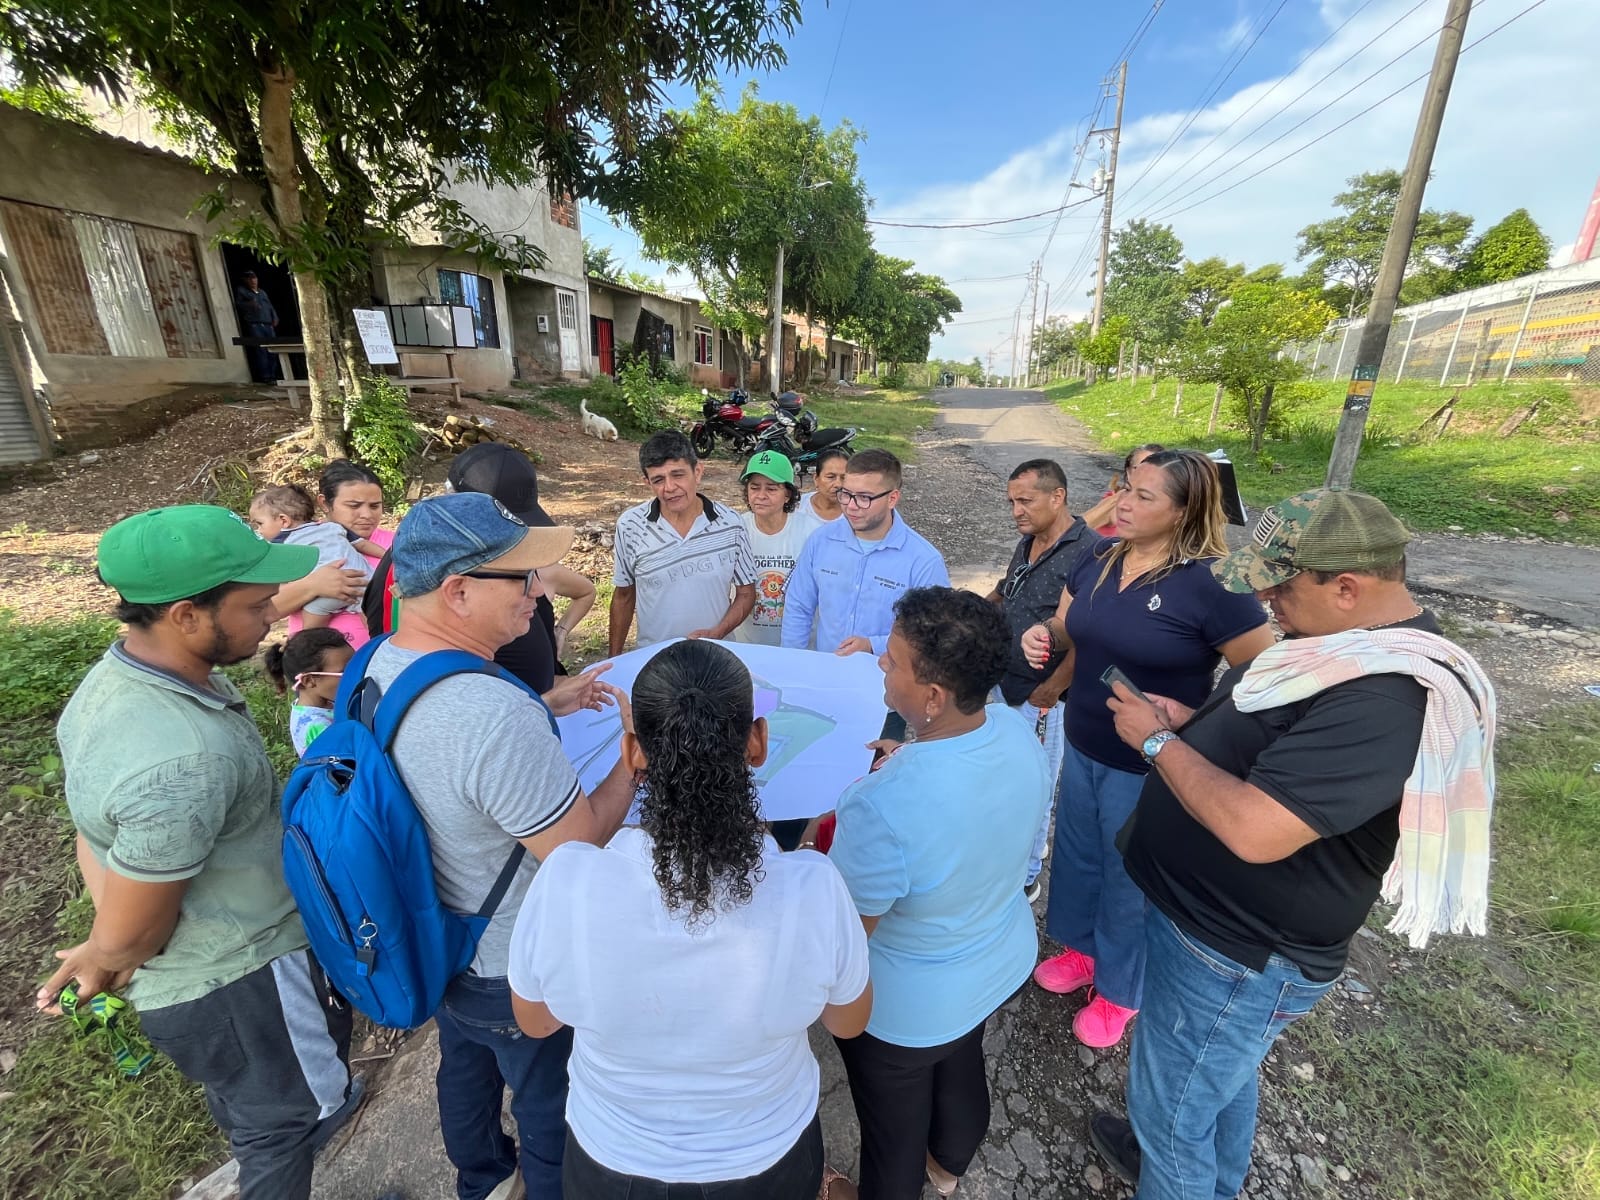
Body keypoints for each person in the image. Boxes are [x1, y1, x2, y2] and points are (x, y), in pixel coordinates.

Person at [1087, 489, 1496, 1200]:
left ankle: (1172, 1166)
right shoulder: (1336, 646)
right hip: (1212, 933)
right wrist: (1193, 722)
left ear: (1347, 586)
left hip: (1233, 951)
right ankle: (1201, 1171)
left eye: (1279, 583)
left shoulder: (1385, 697)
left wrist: (1155, 742)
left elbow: (1256, 828)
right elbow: (1270, 731)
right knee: (1215, 1077)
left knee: (1172, 1115)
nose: (1265, 599)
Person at [40, 505, 358, 1200]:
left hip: (215, 991)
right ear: (185, 615)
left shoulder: (119, 683)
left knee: (257, 1113)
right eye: (256, 603)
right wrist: (107, 948)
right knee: (286, 1128)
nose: (273, 613)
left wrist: (106, 943)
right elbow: (134, 935)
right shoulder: (182, 758)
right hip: (242, 981)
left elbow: (91, 831)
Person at [507, 639, 873, 1199]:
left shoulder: (568, 882)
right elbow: (849, 1023)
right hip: (767, 1159)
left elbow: (536, 1023)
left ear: (633, 753)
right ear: (758, 742)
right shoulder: (814, 886)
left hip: (610, 1162)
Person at [358, 491, 636, 1200]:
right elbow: (576, 847)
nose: (539, 594)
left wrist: (546, 703)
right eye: (523, 579)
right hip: (510, 964)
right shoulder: (489, 712)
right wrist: (635, 761)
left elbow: (434, 750)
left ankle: (481, 1178)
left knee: (464, 1066)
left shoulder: (376, 663)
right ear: (457, 590)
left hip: (432, 935)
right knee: (556, 1113)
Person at [1022, 450, 1274, 1048]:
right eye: (1125, 489)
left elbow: (1262, 678)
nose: (1124, 504)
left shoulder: (1216, 583)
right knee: (1080, 856)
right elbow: (1068, 624)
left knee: (1128, 875)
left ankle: (1121, 991)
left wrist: (1191, 718)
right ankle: (1085, 954)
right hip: (1084, 743)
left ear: (1185, 510)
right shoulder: (1102, 558)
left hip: (1152, 762)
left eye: (1144, 496)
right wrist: (1043, 634)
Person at [828, 587, 1051, 1200]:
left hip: (909, 1006)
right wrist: (910, 754)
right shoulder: (1010, 726)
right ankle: (949, 1168)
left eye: (893, 660)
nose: (881, 664)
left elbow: (849, 936)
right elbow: (971, 798)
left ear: (932, 695)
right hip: (995, 959)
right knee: (960, 1062)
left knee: (892, 1131)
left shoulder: (880, 806)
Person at [985, 459, 1096, 903]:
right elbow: (1008, 590)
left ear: (1058, 496)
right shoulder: (1028, 541)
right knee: (1000, 781)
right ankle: (1000, 857)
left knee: (1035, 789)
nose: (1016, 510)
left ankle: (1027, 877)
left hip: (1044, 697)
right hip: (1002, 683)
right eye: (1012, 501)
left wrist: (1052, 688)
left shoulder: (1090, 551)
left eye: (1025, 500)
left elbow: (1089, 632)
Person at [446, 442, 597, 691]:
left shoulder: (540, 571)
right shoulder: (433, 582)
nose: (535, 590)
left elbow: (586, 591)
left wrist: (560, 631)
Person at [609, 430, 756, 656]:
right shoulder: (630, 526)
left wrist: (718, 632)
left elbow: (746, 593)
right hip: (655, 660)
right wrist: (614, 660)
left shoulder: (731, 524)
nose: (669, 487)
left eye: (678, 475)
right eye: (658, 479)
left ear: (697, 472)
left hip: (716, 655)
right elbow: (624, 596)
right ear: (647, 482)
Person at [281, 461, 395, 648]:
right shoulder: (301, 542)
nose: (366, 514)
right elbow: (268, 611)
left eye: (375, 506)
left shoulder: (398, 544)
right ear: (324, 503)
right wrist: (313, 585)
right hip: (316, 669)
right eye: (354, 506)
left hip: (384, 665)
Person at [249, 484, 375, 629]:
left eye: (260, 524)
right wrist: (386, 554)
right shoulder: (331, 527)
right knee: (371, 619)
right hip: (366, 583)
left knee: (314, 610)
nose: (259, 530)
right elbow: (362, 544)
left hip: (335, 593)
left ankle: (306, 638)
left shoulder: (281, 545)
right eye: (354, 505)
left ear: (284, 520)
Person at [732, 449, 821, 646]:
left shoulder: (812, 532)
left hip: (800, 648)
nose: (761, 495)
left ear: (788, 494)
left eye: (771, 489)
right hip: (747, 646)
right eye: (754, 487)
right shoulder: (736, 529)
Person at [263, 627, 354, 755]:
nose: (356, 674)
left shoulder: (325, 703)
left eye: (356, 665)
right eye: (344, 672)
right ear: (308, 681)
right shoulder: (318, 727)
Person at [1082, 444, 1164, 537]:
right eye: (1139, 468)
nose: (1148, 475)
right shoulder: (1117, 501)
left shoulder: (1169, 505)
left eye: (1155, 471)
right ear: (1128, 472)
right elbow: (1071, 533)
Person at [235, 271, 280, 383]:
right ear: (245, 280)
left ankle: (273, 375)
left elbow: (270, 306)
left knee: (273, 350)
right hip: (255, 324)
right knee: (261, 351)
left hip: (268, 325)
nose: (252, 280)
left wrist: (275, 317)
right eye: (249, 278)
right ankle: (266, 377)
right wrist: (249, 304)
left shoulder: (262, 292)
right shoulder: (242, 291)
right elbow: (238, 304)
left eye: (254, 278)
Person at [797, 445, 850, 523]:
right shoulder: (798, 507)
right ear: (816, 479)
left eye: (844, 478)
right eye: (831, 477)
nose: (838, 484)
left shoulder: (855, 513)